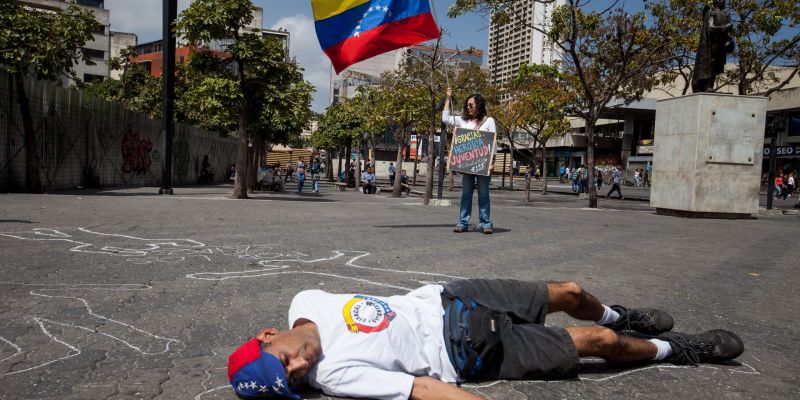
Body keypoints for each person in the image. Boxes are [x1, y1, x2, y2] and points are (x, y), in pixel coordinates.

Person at [227, 278, 744, 400]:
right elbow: (423, 391)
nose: (297, 371)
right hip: (468, 353)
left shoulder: (305, 301)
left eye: (282, 363)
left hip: (454, 299)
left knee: (569, 292)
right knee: (599, 343)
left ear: (270, 335)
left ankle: (623, 312)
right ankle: (683, 350)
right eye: (291, 382)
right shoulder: (334, 375)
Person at [442, 87, 497, 234]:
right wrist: (448, 99)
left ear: (479, 105)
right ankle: (463, 223)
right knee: (466, 194)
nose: (468, 107)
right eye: (467, 105)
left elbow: (493, 144)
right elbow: (445, 118)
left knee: (484, 194)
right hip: (467, 166)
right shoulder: (462, 120)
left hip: (483, 165)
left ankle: (485, 224)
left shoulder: (489, 121)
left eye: (471, 105)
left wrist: (492, 163)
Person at [692, 0, 734, 93]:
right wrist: (726, 27)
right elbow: (710, 28)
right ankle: (706, 85)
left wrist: (730, 36)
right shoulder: (711, 12)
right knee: (708, 64)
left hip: (719, 46)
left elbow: (729, 33)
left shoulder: (725, 15)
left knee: (715, 65)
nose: (723, 2)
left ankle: (710, 85)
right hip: (709, 45)